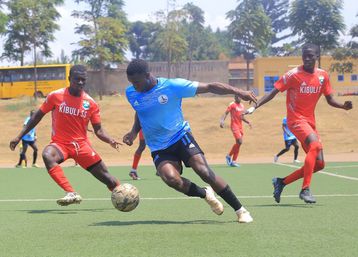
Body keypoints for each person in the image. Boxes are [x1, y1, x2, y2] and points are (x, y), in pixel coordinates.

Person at [123, 59, 257, 223]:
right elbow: (140, 112)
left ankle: (240, 210)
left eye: (137, 82)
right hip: (159, 147)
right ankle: (205, 194)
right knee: (171, 179)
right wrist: (133, 132)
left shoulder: (172, 86)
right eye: (132, 83)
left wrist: (239, 92)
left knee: (203, 171)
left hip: (180, 136)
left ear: (147, 75)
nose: (134, 86)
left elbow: (210, 87)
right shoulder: (131, 93)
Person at [245, 43, 353, 204]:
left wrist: (343, 107)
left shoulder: (323, 76)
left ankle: (281, 182)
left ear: (317, 57)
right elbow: (273, 92)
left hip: (310, 122)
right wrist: (255, 106)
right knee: (314, 146)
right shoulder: (293, 75)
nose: (307, 58)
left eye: (311, 55)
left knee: (320, 164)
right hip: (295, 120)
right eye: (304, 55)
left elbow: (330, 99)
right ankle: (305, 189)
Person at [10, 65, 121, 206]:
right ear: (69, 79)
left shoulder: (91, 103)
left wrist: (110, 139)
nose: (80, 83)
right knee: (47, 155)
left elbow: (98, 130)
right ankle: (71, 192)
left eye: (83, 80)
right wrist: (19, 136)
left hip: (82, 147)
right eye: (77, 79)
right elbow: (37, 117)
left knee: (109, 180)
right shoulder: (55, 96)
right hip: (60, 145)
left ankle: (125, 195)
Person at [220, 95, 252, 167]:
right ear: (235, 98)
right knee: (240, 142)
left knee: (238, 144)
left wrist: (248, 122)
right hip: (234, 126)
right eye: (238, 97)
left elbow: (241, 116)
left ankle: (233, 161)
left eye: (240, 97)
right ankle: (229, 156)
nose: (239, 98)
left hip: (240, 127)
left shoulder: (242, 106)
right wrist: (222, 121)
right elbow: (226, 113)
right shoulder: (232, 104)